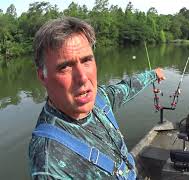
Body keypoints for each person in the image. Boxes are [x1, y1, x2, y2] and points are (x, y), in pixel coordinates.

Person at [29, 17, 165, 179]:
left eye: (86, 60)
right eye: (64, 67)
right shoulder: (49, 163)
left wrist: (153, 74)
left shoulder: (99, 99)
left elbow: (127, 88)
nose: (83, 78)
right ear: (42, 76)